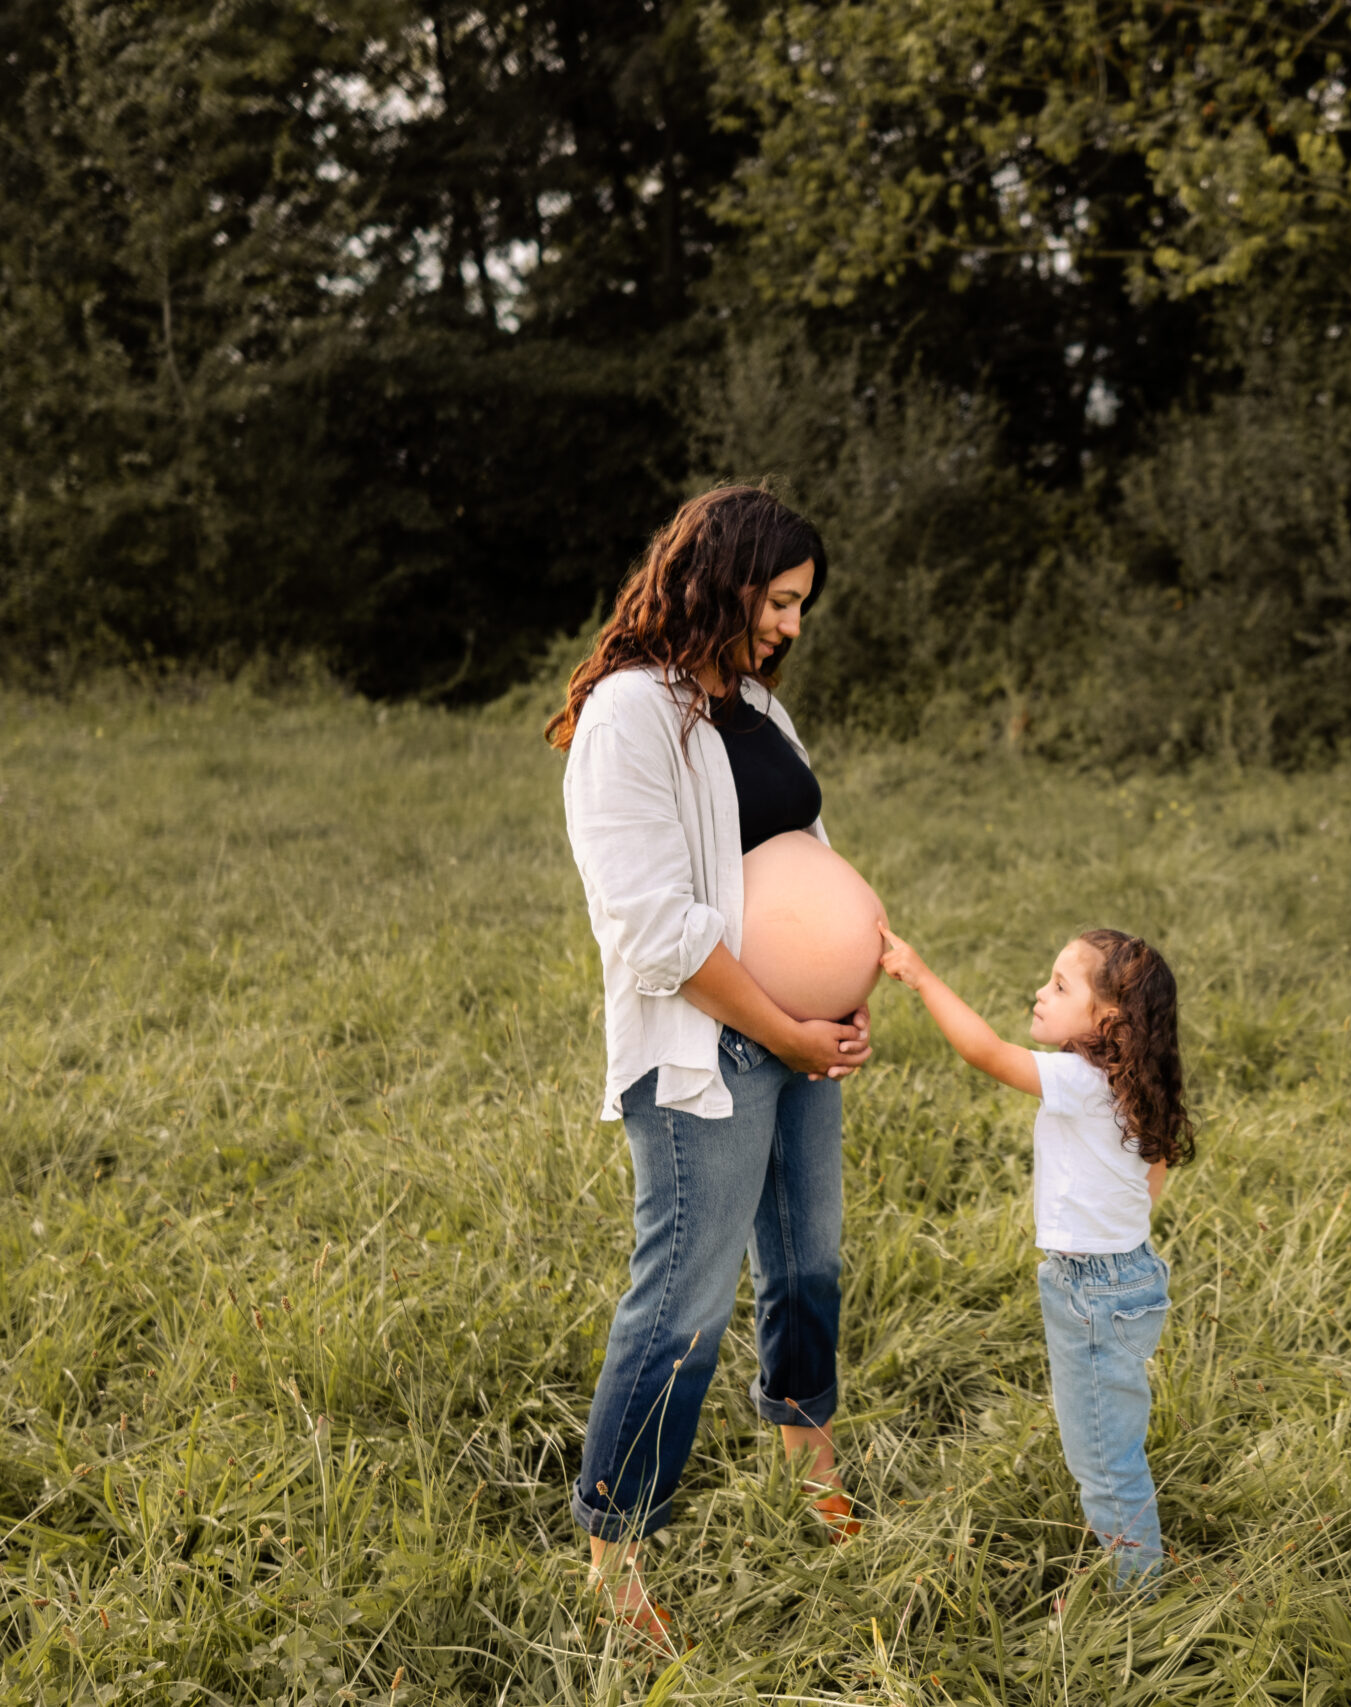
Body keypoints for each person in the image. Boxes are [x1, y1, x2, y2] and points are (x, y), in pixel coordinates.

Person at [545, 485, 872, 1642]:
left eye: (800, 607)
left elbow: (803, 859)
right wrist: (781, 1027)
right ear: (724, 578)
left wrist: (840, 993)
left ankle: (806, 1457)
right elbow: (650, 922)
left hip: (797, 1035)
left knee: (808, 1266)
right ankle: (614, 1548)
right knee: (681, 1305)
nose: (790, 625)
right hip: (707, 1048)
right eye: (780, 600)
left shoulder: (757, 711)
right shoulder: (630, 715)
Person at [874, 924, 1194, 1594]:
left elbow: (986, 1051)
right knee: (1108, 1441)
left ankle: (1139, 1593)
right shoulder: (1133, 1083)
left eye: (1059, 985)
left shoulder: (1082, 1081)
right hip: (1124, 1277)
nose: (1039, 993)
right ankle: (1130, 1562)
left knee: (1104, 1457)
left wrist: (922, 977)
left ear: (1107, 1018)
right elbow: (1152, 1173)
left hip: (1092, 1290)